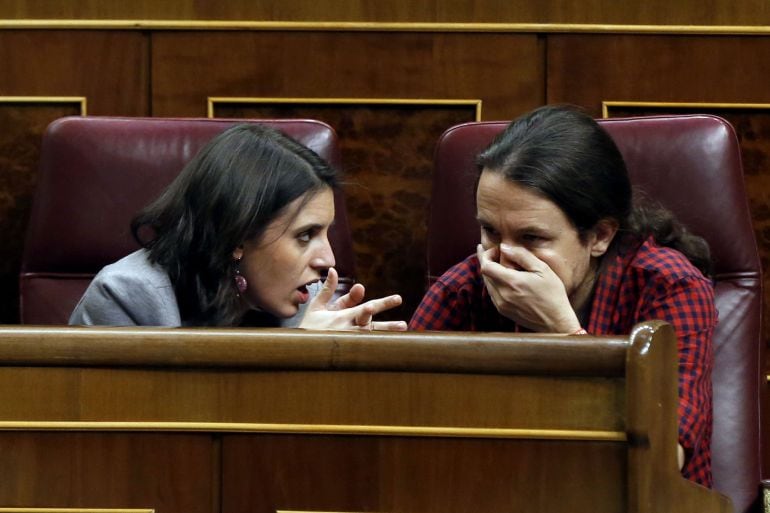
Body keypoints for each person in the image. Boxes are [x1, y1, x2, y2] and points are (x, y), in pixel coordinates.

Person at [409, 105, 715, 487]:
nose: (505, 258)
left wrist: (563, 335)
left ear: (600, 236)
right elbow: (398, 429)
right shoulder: (464, 288)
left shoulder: (669, 287)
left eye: (532, 238)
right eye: (490, 231)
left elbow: (660, 460)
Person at [70, 123, 406, 331]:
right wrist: (300, 355)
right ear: (237, 236)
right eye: (305, 235)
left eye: (326, 233)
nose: (328, 260)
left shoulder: (309, 300)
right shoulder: (126, 297)